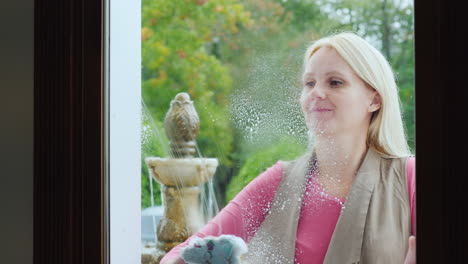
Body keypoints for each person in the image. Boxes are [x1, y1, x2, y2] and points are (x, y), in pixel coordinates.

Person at [161, 31, 416, 264]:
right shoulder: (278, 182)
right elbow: (178, 256)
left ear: (374, 99)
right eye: (309, 83)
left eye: (335, 82)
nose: (316, 93)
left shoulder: (409, 179)